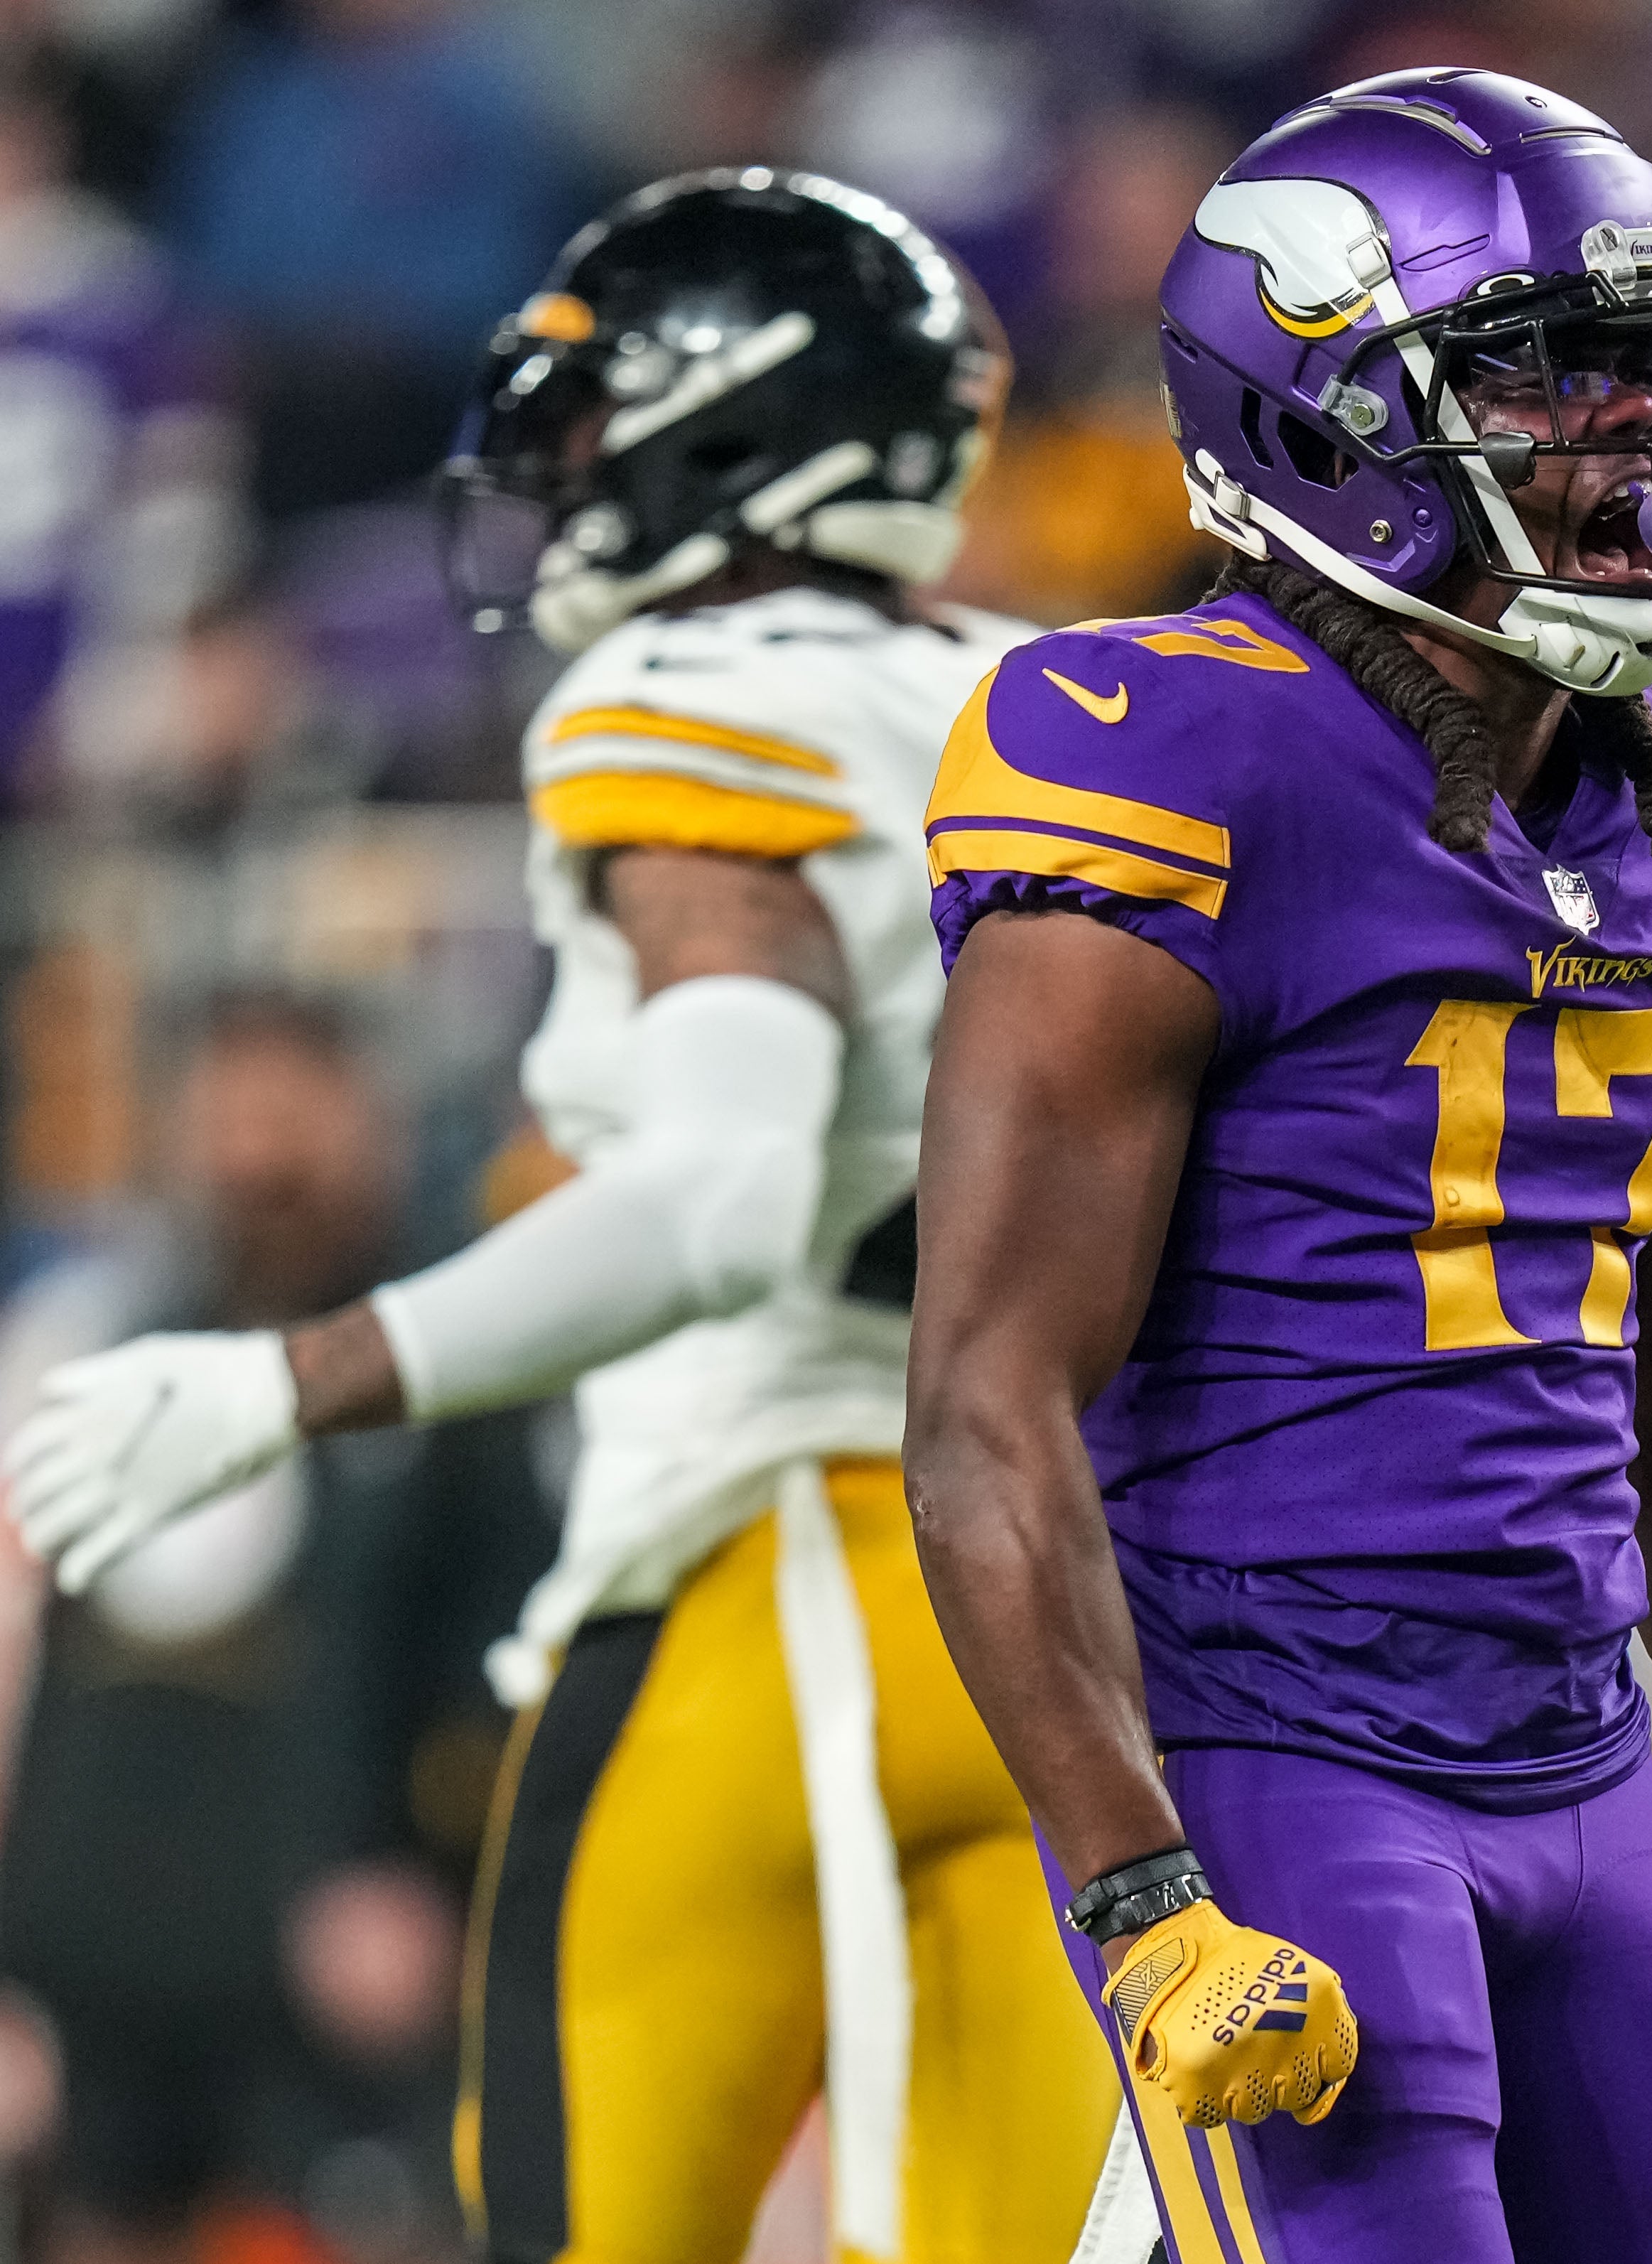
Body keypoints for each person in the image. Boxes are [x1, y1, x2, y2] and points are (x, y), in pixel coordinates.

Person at [900, 69, 1652, 2264]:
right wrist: (1141, 1900)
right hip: (1274, 1767)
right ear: (1317, 417)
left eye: (1643, 379)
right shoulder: (1174, 757)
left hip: (1585, 1766)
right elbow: (981, 1412)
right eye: (1542, 387)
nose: (1630, 440)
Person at [0, 172, 1121, 2263]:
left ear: (737, 426)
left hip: (780, 1573)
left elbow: (716, 1202)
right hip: (1100, 1619)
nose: (574, 478)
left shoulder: (692, 697)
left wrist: (293, 1375)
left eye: (606, 428)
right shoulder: (1073, 709)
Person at [0, 995, 547, 2261]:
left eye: (292, 1120)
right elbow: (54, 1656)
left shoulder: (456, 1380)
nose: (258, 1161)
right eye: (228, 1121)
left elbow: (507, 1654)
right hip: (104, 1962)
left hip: (324, 1986)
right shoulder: (121, 1350)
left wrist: (420, 1871)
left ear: (370, 1128)